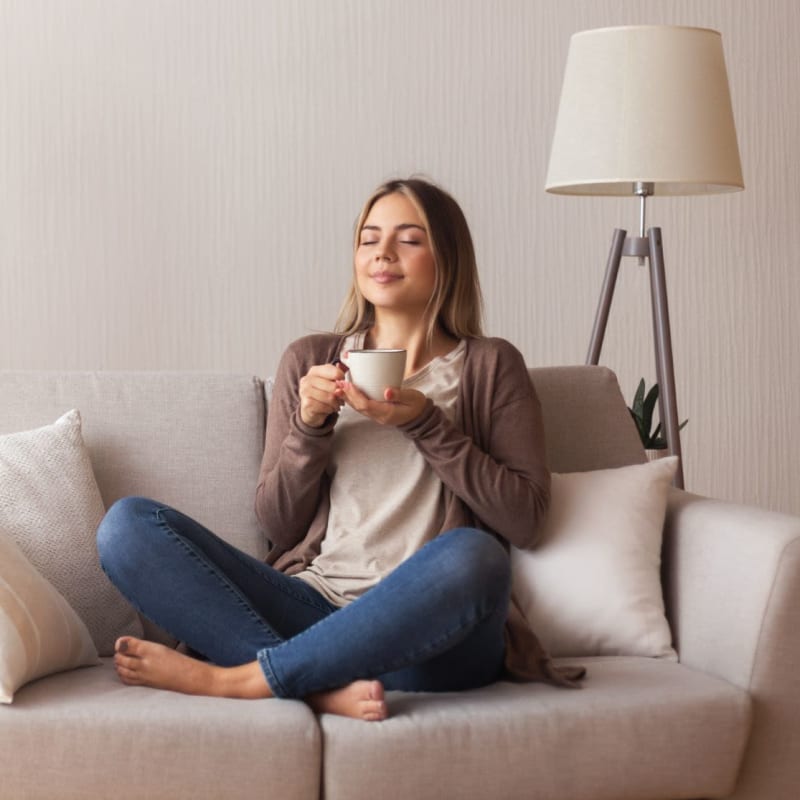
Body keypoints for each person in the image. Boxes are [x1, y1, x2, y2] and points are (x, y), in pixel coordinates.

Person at [96, 177, 554, 722]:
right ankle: (313, 685)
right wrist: (310, 425)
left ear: (447, 257)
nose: (382, 253)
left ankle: (241, 678)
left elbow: (525, 519)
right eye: (368, 238)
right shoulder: (311, 359)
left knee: (475, 557)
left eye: (408, 239)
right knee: (127, 527)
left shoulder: (491, 365)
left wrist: (428, 424)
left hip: (430, 635)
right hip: (313, 610)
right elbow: (279, 526)